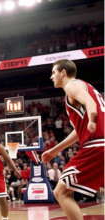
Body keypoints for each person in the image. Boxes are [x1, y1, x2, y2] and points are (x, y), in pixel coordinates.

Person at [42, 59, 104, 220]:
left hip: (96, 146)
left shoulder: (72, 85)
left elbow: (90, 104)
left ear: (63, 73)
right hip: (99, 144)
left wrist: (92, 119)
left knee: (60, 192)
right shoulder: (84, 87)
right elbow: (78, 131)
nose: (51, 77)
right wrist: (55, 149)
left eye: (53, 72)